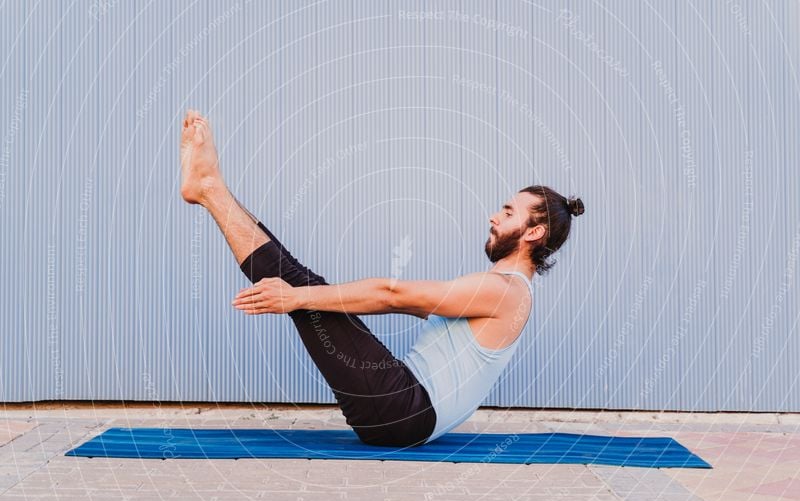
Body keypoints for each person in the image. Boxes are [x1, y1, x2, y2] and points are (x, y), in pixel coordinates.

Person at [179, 109, 584, 448]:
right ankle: (211, 189)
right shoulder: (507, 292)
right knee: (306, 287)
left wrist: (297, 298)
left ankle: (210, 189)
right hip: (405, 410)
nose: (495, 217)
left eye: (509, 212)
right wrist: (307, 297)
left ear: (534, 233)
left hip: (403, 412)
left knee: (304, 291)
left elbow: (391, 294)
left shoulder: (502, 291)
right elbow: (408, 303)